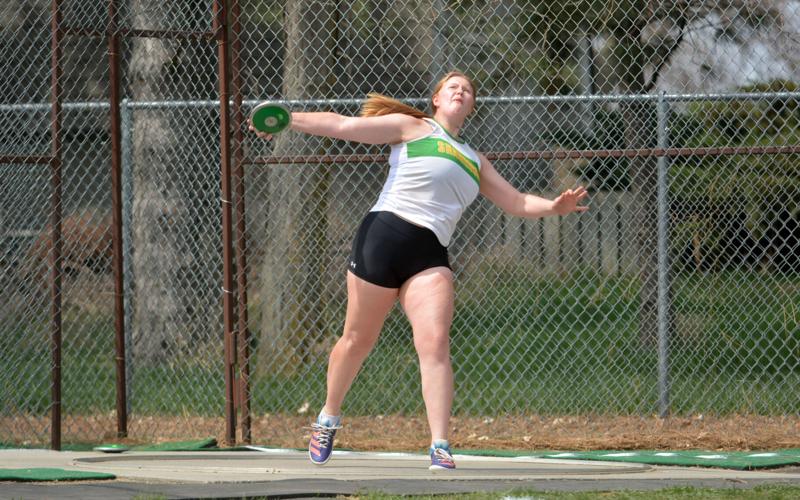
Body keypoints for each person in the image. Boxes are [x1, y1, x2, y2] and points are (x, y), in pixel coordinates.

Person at [250, 71, 588, 471]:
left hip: (429, 254)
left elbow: (516, 202)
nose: (460, 90)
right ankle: (328, 417)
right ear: (436, 99)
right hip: (383, 237)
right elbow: (343, 126)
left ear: (471, 106)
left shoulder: (475, 160)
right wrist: (289, 120)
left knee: (435, 343)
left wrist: (554, 206)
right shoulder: (413, 128)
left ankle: (440, 444)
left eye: (467, 89)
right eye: (452, 86)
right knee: (357, 340)